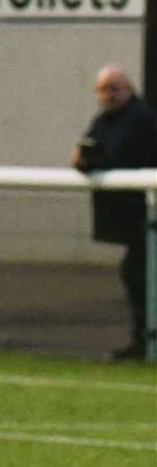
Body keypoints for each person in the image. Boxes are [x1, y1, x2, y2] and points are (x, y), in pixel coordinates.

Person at [73, 65, 157, 360]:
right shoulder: (105, 119)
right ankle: (144, 342)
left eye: (115, 88)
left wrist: (92, 160)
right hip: (139, 218)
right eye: (104, 89)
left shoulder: (140, 118)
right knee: (136, 273)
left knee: (139, 273)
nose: (109, 95)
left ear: (128, 89)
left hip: (149, 215)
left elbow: (118, 155)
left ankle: (146, 343)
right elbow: (86, 152)